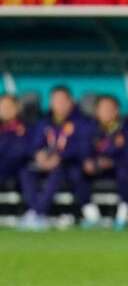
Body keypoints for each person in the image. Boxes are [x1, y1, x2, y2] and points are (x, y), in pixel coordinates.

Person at [18, 86, 96, 230]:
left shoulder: (82, 122)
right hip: (44, 162)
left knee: (59, 171)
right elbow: (34, 144)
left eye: (62, 100)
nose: (58, 104)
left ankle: (38, 213)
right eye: (55, 100)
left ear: (70, 102)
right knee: (26, 171)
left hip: (68, 164)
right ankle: (35, 210)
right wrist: (38, 155)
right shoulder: (44, 121)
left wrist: (60, 157)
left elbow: (82, 148)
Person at [82, 95, 128, 229]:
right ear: (96, 111)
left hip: (118, 167)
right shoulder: (89, 128)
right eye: (103, 109)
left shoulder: (127, 128)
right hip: (96, 168)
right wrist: (89, 162)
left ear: (117, 111)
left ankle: (123, 214)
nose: (106, 112)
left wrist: (111, 162)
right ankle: (91, 215)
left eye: (110, 108)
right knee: (76, 172)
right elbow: (83, 150)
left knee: (126, 173)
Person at [0, 95, 30, 192]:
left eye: (9, 106)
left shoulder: (24, 128)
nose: (5, 110)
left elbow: (22, 152)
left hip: (14, 168)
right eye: (2, 107)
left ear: (17, 108)